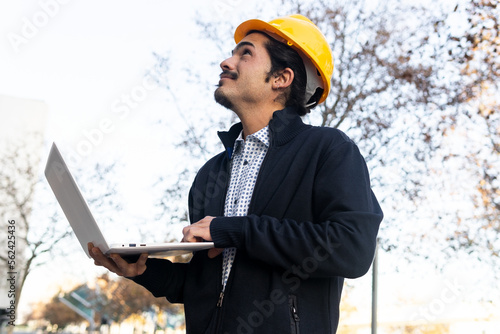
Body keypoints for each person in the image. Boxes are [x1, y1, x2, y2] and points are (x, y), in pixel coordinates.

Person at [89, 14, 383, 334]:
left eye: (246, 53)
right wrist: (142, 271)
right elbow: (204, 288)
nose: (226, 61)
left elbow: (352, 249)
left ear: (281, 78)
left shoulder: (328, 150)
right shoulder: (210, 173)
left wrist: (235, 231)